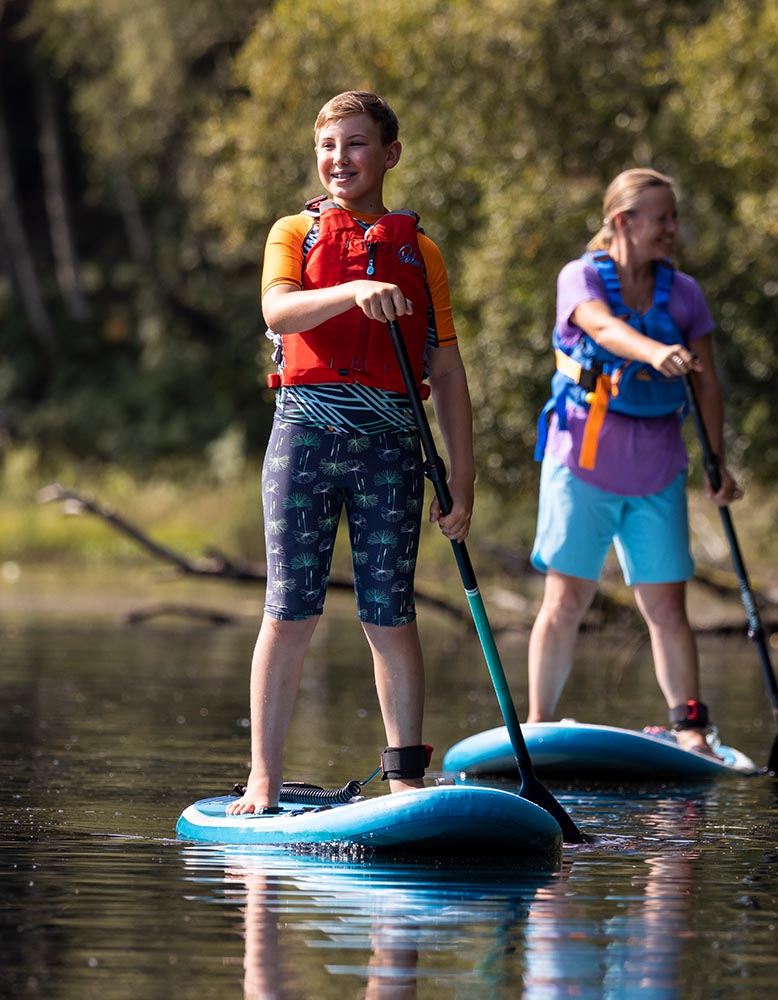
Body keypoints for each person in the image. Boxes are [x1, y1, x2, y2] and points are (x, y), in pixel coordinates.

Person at [228, 91, 475, 814]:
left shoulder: (422, 253)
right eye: (329, 146)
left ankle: (405, 785)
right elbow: (278, 311)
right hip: (305, 440)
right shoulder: (292, 233)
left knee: (390, 616)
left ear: (390, 154)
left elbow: (448, 370)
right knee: (290, 611)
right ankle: (264, 779)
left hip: (391, 451)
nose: (340, 159)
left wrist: (463, 477)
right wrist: (354, 289)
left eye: (357, 144)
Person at [527, 167, 741, 757]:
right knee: (566, 599)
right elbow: (599, 325)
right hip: (582, 459)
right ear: (623, 221)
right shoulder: (578, 277)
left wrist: (716, 462)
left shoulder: (685, 292)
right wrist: (654, 352)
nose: (672, 228)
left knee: (667, 605)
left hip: (658, 466)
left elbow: (708, 385)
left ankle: (690, 727)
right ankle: (539, 726)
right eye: (661, 218)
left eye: (674, 217)